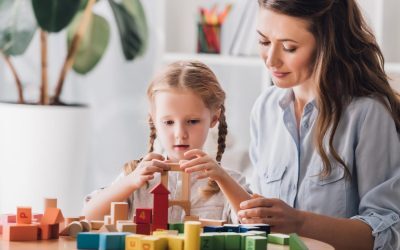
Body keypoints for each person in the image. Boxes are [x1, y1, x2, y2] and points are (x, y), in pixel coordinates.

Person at [231, 0, 400, 249]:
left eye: (289, 47)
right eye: (264, 42)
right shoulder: (265, 108)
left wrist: (299, 222)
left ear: (326, 45)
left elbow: (388, 231)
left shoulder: (367, 114)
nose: (271, 60)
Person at [82, 60, 250, 223]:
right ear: (153, 120)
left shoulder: (231, 182)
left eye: (192, 121)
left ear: (214, 118)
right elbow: (88, 217)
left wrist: (222, 178)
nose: (180, 134)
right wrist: (130, 182)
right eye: (169, 122)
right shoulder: (137, 177)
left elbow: (254, 223)